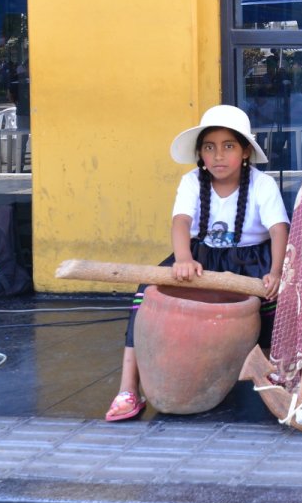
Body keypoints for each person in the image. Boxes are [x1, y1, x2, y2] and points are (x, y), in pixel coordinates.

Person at [104, 105, 290, 421]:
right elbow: (180, 222)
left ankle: (277, 378)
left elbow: (278, 230)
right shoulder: (192, 182)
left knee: (274, 302)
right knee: (145, 294)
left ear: (245, 151)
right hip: (199, 258)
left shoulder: (262, 184)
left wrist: (275, 272)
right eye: (209, 147)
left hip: (252, 259)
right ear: (200, 153)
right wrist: (183, 259)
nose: (218, 156)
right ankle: (128, 390)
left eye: (228, 146)